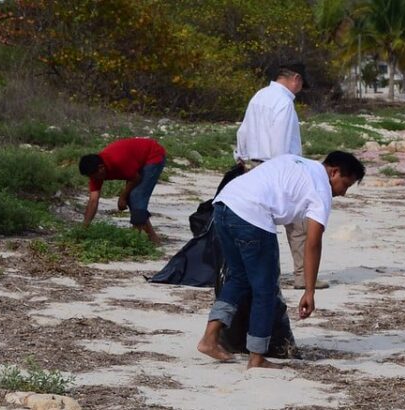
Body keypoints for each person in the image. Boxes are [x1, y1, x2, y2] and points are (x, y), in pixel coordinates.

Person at [197, 151, 365, 369]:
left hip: (222, 206)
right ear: (334, 172)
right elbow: (313, 243)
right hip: (252, 216)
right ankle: (256, 357)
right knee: (265, 290)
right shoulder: (321, 189)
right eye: (346, 184)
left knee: (238, 278)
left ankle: (209, 339)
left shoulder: (296, 161)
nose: (343, 193)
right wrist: (310, 291)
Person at [235, 61, 329, 290]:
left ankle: (255, 274)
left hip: (255, 165)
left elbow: (243, 130)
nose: (300, 89)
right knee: (298, 226)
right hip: (278, 166)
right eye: (301, 84)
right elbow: (281, 141)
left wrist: (240, 156)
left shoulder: (259, 96)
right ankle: (303, 276)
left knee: (258, 222)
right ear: (295, 78)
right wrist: (286, 171)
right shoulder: (284, 102)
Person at [78, 137, 166, 244]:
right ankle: (152, 238)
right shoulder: (96, 173)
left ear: (101, 168)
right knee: (132, 197)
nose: (93, 179)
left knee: (136, 196)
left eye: (93, 176)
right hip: (135, 161)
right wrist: (84, 227)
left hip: (153, 155)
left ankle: (139, 239)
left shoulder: (118, 161)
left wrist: (122, 197)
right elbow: (93, 200)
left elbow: (136, 178)